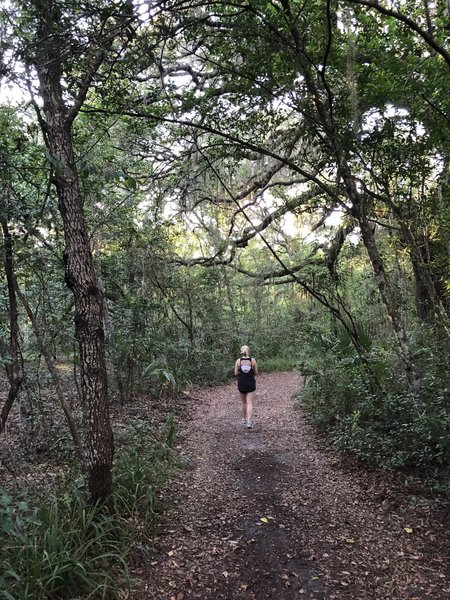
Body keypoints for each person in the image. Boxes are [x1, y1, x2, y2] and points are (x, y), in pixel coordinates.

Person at [234, 345, 258, 429]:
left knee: (244, 402)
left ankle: (244, 419)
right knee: (249, 403)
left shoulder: (238, 361)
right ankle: (249, 422)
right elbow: (256, 372)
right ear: (248, 351)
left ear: (241, 351)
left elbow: (235, 373)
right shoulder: (253, 360)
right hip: (251, 383)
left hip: (242, 384)